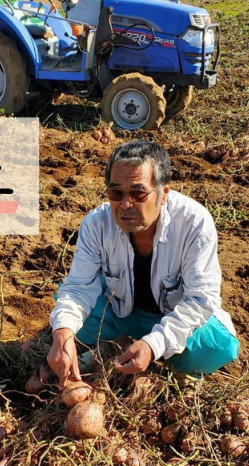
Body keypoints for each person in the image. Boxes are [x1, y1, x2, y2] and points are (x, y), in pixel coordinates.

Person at [47, 140, 238, 387]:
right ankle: (118, 342)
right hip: (120, 310)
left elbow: (200, 301)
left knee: (216, 349)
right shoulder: (96, 224)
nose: (125, 205)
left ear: (163, 194)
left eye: (138, 193)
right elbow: (77, 288)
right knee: (67, 320)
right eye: (116, 193)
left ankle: (152, 354)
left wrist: (154, 344)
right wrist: (62, 335)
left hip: (171, 315)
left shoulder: (194, 224)